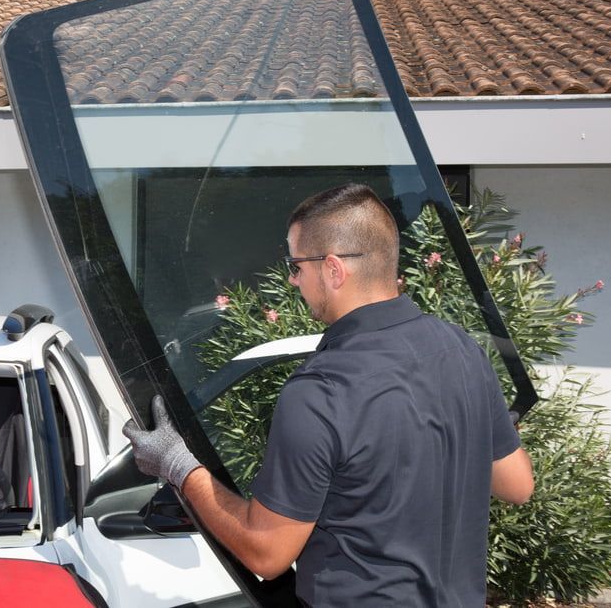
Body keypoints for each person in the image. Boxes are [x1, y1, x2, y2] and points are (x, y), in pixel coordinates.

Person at [123, 183, 534, 607]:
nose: (292, 278)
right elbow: (517, 484)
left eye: (295, 264)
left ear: (334, 270)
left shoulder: (320, 393)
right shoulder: (460, 348)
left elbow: (267, 553)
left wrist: (177, 465)